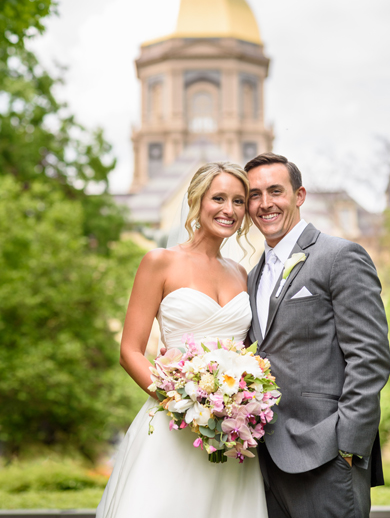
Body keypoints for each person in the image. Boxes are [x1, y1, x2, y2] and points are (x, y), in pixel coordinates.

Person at [97, 162, 266, 518]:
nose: (229, 210)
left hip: (231, 432)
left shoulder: (241, 274)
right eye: (218, 198)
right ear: (196, 200)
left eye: (238, 201)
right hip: (175, 426)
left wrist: (240, 404)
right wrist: (185, 405)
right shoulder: (160, 262)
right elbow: (130, 352)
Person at [244, 152, 390, 518]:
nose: (265, 204)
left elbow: (369, 357)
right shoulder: (252, 276)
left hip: (327, 454)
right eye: (254, 195)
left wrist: (348, 445)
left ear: (299, 195)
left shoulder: (339, 256)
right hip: (264, 460)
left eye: (275, 191)